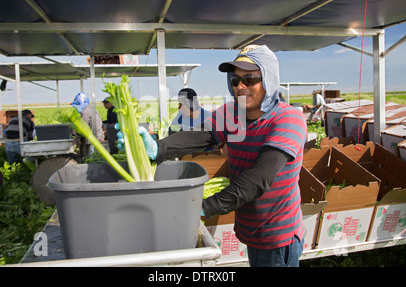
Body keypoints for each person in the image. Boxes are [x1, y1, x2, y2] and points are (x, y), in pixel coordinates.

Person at [118, 45, 307, 267]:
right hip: (251, 229)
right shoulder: (232, 113)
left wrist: (202, 207)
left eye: (250, 79)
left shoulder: (289, 120)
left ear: (269, 80)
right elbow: (200, 135)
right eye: (235, 81)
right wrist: (157, 148)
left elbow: (259, 179)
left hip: (278, 235)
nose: (241, 87)